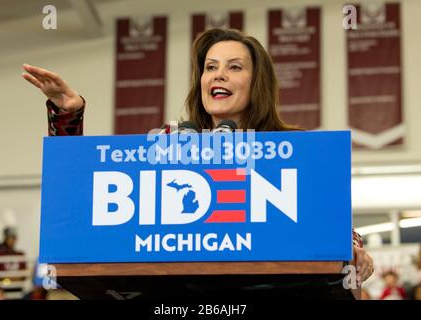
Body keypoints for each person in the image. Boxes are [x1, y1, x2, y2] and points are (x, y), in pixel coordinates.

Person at [22, 28, 374, 284]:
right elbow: (85, 198)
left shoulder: (294, 147)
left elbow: (327, 218)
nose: (218, 74)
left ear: (257, 82)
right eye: (210, 66)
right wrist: (68, 113)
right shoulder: (169, 143)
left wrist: (355, 246)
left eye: (235, 67)